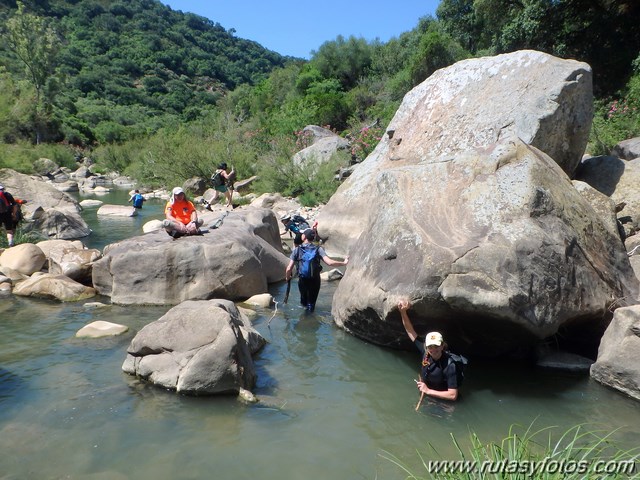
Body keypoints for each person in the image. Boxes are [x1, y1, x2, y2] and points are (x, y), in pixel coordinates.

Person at [398, 299, 459, 401]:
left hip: (443, 401)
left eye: (436, 346)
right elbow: (410, 330)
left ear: (442, 346)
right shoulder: (426, 352)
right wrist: (403, 312)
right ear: (426, 346)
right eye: (430, 346)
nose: (433, 349)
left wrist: (427, 390)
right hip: (426, 392)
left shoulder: (449, 365)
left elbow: (453, 395)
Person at [285, 228, 349, 312]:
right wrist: (344, 263)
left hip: (302, 279)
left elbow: (289, 268)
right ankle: (309, 315)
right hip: (315, 280)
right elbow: (329, 262)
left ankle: (304, 317)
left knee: (304, 302)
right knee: (311, 304)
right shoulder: (318, 249)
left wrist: (287, 277)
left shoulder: (297, 250)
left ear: (304, 237)